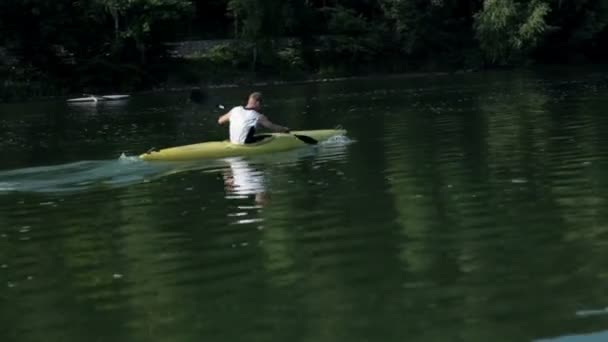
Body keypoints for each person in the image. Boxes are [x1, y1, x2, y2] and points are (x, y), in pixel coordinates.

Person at [217, 92, 289, 144]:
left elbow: (220, 121)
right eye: (261, 104)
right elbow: (274, 128)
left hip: (233, 144)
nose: (260, 107)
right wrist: (285, 129)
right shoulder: (258, 116)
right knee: (268, 137)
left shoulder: (235, 110)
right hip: (245, 146)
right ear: (257, 103)